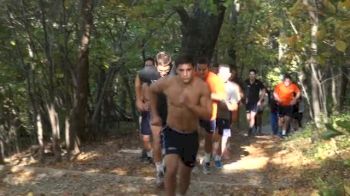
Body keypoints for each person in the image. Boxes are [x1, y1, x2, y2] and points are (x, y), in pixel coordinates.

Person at [149, 55, 212, 196]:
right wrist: (154, 114)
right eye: (181, 70)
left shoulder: (201, 87)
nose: (185, 74)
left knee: (185, 173)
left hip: (191, 134)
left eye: (188, 70)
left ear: (193, 69)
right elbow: (151, 90)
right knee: (170, 169)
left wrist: (190, 105)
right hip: (172, 131)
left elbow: (207, 114)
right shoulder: (168, 83)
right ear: (176, 70)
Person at [136, 51, 174, 186]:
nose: (163, 72)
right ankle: (159, 171)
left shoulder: (176, 74)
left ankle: (164, 165)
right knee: (156, 141)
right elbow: (138, 80)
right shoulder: (147, 73)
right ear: (156, 66)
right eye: (161, 69)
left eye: (166, 69)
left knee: (171, 145)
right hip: (155, 112)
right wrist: (138, 100)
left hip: (172, 113)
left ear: (171, 66)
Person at [196, 57, 226, 174]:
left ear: (208, 68)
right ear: (196, 68)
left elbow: (221, 96)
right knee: (194, 137)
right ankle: (192, 160)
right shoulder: (193, 76)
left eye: (204, 69)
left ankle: (207, 161)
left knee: (209, 138)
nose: (202, 72)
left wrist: (208, 94)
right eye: (199, 69)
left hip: (210, 113)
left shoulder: (215, 79)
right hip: (195, 112)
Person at [214, 64, 241, 167]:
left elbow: (234, 105)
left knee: (224, 136)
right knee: (213, 136)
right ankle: (212, 153)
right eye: (222, 73)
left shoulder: (233, 87)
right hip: (211, 115)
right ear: (218, 74)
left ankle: (218, 157)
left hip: (225, 117)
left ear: (229, 75)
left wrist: (227, 105)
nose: (224, 76)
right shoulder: (211, 84)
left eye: (226, 74)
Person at [134, 57, 155, 162]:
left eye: (150, 65)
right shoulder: (141, 82)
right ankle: (148, 155)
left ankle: (155, 156)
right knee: (144, 136)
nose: (148, 68)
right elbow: (139, 100)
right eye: (146, 66)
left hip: (158, 113)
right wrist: (141, 104)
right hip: (145, 113)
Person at [244, 69, 266, 136]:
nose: (252, 76)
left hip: (255, 102)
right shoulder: (246, 82)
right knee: (248, 117)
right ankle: (250, 127)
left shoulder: (258, 82)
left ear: (255, 75)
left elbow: (263, 91)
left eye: (253, 74)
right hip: (248, 102)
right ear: (249, 75)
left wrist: (260, 100)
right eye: (250, 74)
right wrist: (244, 98)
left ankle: (250, 130)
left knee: (252, 116)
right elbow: (242, 90)